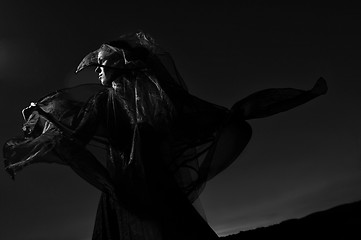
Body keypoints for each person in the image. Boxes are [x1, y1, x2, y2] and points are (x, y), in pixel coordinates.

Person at [3, 31, 327, 240]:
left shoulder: (155, 101)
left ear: (121, 64)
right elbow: (76, 138)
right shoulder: (105, 103)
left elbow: (217, 119)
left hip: (154, 194)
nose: (97, 71)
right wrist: (46, 118)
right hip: (130, 195)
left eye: (102, 64)